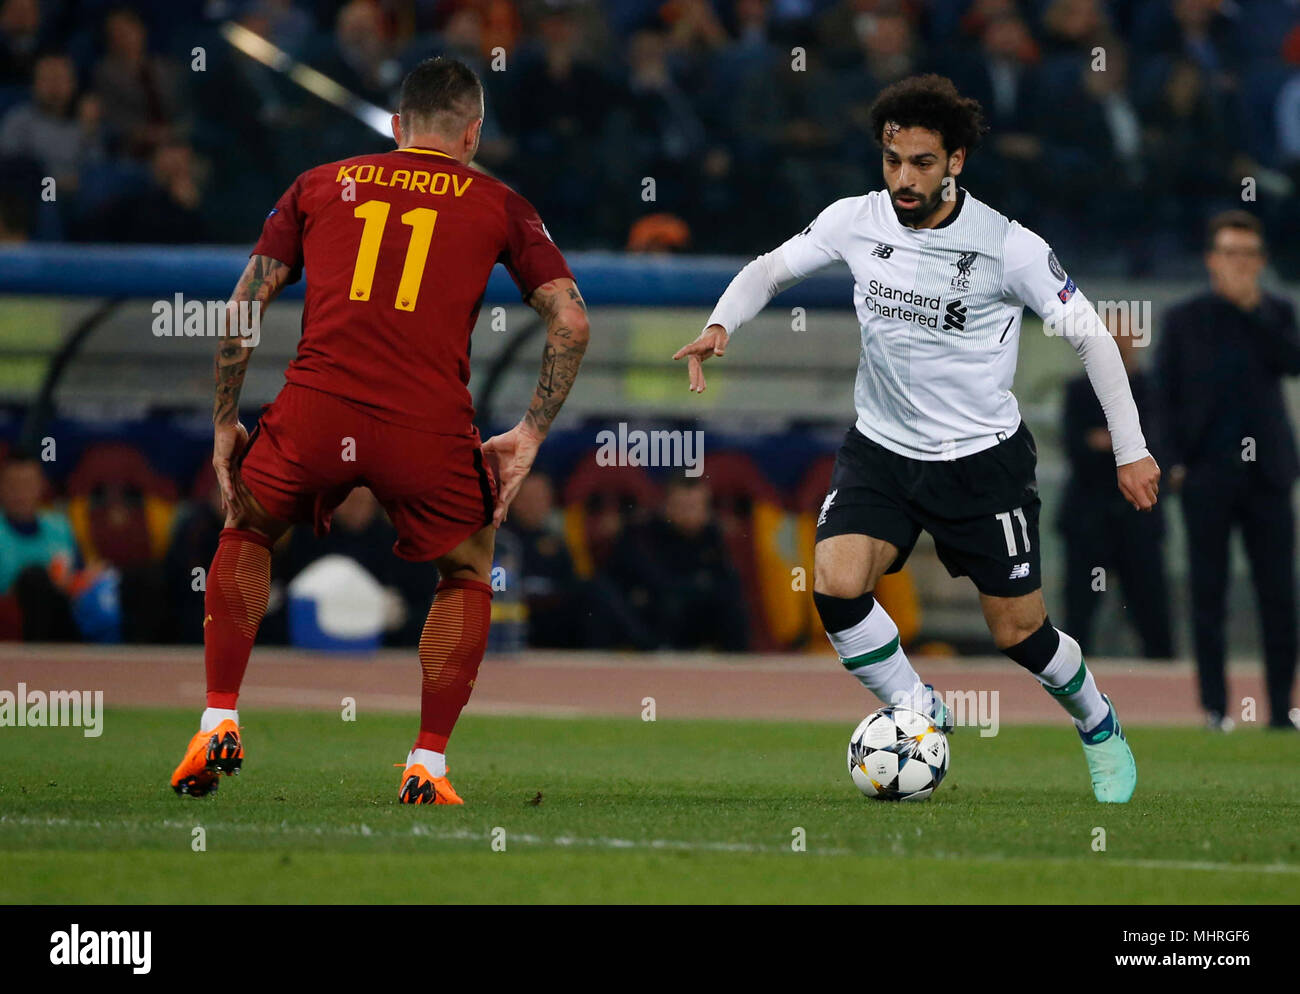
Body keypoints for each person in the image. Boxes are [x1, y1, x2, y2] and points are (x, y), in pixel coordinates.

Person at [675, 74, 1161, 803]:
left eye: (922, 162)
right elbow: (772, 268)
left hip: (982, 463)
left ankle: (1097, 723)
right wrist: (720, 324)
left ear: (956, 161)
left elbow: (1092, 339)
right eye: (892, 160)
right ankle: (915, 706)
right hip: (882, 451)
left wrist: (1131, 450)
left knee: (1021, 635)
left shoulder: (1009, 246)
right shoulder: (855, 219)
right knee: (836, 586)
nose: (903, 178)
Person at [168, 57, 589, 805]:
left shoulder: (319, 183)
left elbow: (240, 311)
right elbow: (571, 322)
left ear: (397, 127)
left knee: (248, 527)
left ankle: (217, 719)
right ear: (473, 135)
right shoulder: (500, 202)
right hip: (423, 424)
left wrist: (226, 422)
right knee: (465, 570)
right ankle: (426, 763)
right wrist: (528, 432)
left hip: (316, 407)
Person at [1155, 211, 1300, 732]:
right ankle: (1216, 709)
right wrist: (1170, 464)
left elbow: (1291, 362)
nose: (1239, 264)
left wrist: (1253, 311)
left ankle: (1282, 711)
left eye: (1248, 254)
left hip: (1269, 477)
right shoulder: (1183, 319)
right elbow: (1163, 399)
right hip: (1206, 477)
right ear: (1212, 260)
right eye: (1229, 253)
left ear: (1261, 262)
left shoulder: (1278, 312)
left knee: (1279, 596)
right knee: (1207, 595)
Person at [1058, 312, 1173, 658]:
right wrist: (1125, 445)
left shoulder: (1155, 390)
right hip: (1088, 517)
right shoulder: (1079, 389)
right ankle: (1072, 684)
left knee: (1151, 608)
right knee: (1079, 610)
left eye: (1124, 335)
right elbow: (1074, 445)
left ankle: (1167, 689)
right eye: (1109, 334)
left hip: (1139, 514)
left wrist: (1107, 442)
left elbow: (1160, 447)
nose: (1117, 342)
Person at [0, 452, 79, 640]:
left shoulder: (60, 526)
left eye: (27, 485)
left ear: (41, 486)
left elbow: (78, 574)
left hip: (63, 611)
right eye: (13, 485)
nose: (20, 493)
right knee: (34, 578)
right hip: (16, 616)